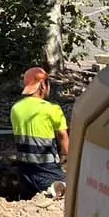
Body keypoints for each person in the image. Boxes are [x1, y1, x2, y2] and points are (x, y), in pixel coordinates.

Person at [10, 66, 69, 199]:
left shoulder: (15, 108)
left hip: (24, 171)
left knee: (27, 200)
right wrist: (70, 163)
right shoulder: (52, 109)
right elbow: (63, 136)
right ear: (43, 85)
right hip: (47, 170)